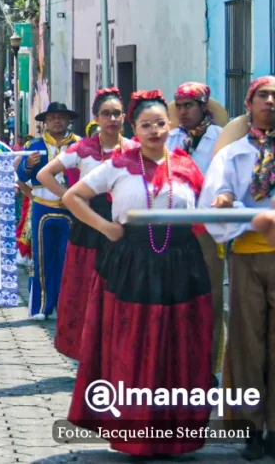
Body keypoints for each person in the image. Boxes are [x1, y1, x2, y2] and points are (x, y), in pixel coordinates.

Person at [63, 90, 211, 457]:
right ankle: (134, 434)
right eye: (146, 125)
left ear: (170, 125)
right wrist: (105, 227)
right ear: (135, 127)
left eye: (161, 123)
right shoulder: (117, 164)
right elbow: (72, 197)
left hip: (181, 265)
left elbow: (206, 207)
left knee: (178, 345)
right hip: (131, 264)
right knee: (132, 344)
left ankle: (176, 433)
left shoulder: (186, 165)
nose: (154, 130)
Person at [199, 75, 275, 460]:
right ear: (250, 104)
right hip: (248, 256)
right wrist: (232, 203)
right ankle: (250, 429)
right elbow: (213, 199)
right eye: (264, 95)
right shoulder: (233, 154)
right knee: (247, 341)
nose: (271, 102)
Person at [36, 88, 127, 360]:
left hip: (123, 223)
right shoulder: (84, 148)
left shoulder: (134, 148)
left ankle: (120, 348)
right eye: (106, 114)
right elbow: (44, 174)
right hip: (89, 223)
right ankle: (88, 350)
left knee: (121, 288)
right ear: (96, 118)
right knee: (87, 288)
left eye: (116, 114)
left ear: (124, 117)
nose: (111, 119)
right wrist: (69, 198)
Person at [168, 81, 226, 375]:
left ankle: (210, 368)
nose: (183, 112)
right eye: (178, 106)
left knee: (212, 298)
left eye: (189, 105)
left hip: (207, 228)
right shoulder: (169, 138)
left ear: (203, 107)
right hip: (174, 229)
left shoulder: (220, 139)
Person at [15, 102, 80, 320]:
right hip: (43, 206)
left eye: (61, 117)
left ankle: (67, 307)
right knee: (41, 258)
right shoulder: (34, 145)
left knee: (69, 258)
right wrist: (28, 165)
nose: (57, 121)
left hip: (71, 208)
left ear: (69, 120)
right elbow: (22, 178)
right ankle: (41, 306)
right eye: (52, 118)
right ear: (46, 122)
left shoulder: (79, 145)